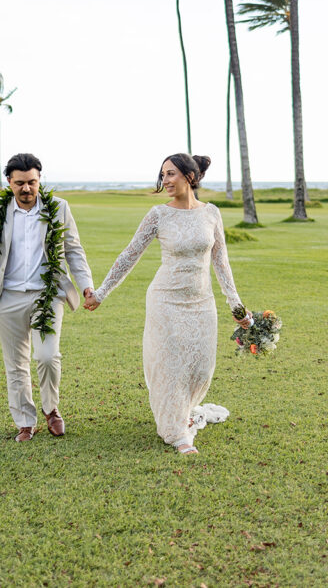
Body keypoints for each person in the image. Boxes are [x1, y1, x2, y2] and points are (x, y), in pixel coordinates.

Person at [85, 153, 251, 455]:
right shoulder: (158, 215)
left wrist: (237, 308)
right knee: (172, 368)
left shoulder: (212, 213)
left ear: (190, 176)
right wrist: (101, 292)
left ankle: (183, 412)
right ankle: (177, 433)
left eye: (171, 174)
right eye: (163, 175)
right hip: (166, 300)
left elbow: (222, 264)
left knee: (201, 368)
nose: (165, 180)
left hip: (202, 302)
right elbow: (129, 255)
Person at [0, 153, 95, 442]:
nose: (26, 189)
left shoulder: (59, 208)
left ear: (39, 180)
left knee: (47, 355)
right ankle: (25, 422)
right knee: (15, 364)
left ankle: (51, 409)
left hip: (48, 295)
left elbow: (74, 250)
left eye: (32, 182)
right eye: (20, 183)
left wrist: (87, 285)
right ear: (9, 182)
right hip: (8, 297)